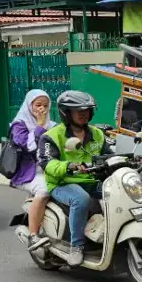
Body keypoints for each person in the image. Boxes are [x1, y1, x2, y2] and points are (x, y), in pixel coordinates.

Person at [37, 90, 105, 266]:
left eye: (87, 110)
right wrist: (68, 166)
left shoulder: (97, 134)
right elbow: (47, 163)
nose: (83, 114)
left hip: (91, 181)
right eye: (78, 110)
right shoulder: (51, 136)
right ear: (66, 113)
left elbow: (109, 156)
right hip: (62, 183)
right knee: (80, 199)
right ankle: (77, 246)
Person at [9, 90, 55, 250]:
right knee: (45, 190)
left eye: (46, 105)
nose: (42, 109)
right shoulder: (19, 125)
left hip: (50, 169)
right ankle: (33, 235)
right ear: (29, 106)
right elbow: (27, 146)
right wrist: (40, 126)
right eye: (38, 105)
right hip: (29, 173)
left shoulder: (53, 125)